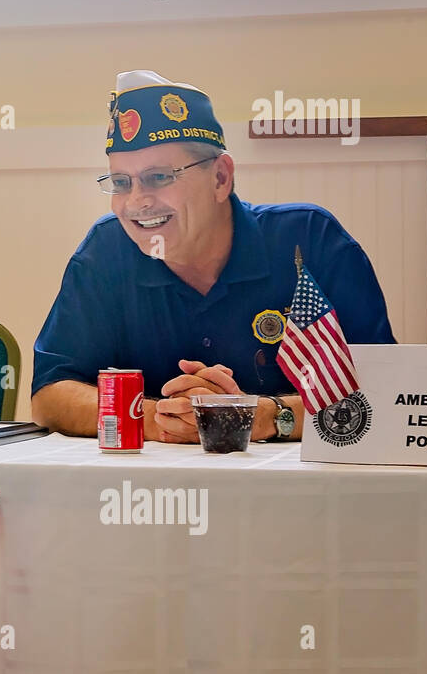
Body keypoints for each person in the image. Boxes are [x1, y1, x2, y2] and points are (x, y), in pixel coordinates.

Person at [31, 70, 395, 444]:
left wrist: (265, 417)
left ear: (221, 178)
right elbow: (50, 396)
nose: (137, 201)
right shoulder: (105, 252)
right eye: (121, 183)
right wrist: (160, 418)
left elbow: (387, 391)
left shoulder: (310, 240)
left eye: (158, 177)